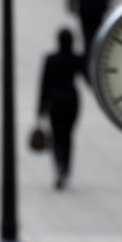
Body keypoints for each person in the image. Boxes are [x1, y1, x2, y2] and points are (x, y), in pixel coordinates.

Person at [37, 28, 86, 191]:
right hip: (71, 100)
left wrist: (40, 108)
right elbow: (87, 75)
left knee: (57, 136)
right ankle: (66, 168)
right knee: (68, 137)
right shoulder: (75, 59)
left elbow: (43, 85)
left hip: (55, 101)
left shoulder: (51, 59)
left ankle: (58, 166)